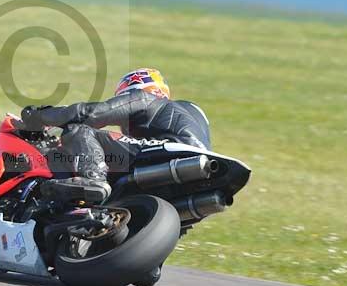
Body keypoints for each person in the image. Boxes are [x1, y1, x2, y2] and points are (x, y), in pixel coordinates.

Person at [21, 68, 211, 203]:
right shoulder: (191, 112)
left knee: (79, 129)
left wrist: (40, 115)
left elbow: (90, 114)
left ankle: (93, 179)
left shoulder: (146, 98)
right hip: (202, 172)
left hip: (169, 150)